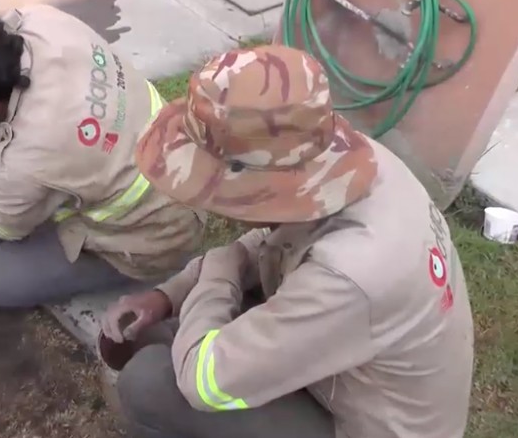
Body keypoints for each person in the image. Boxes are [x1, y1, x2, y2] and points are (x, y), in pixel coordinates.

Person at [100, 45, 475, 437]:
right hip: (354, 370)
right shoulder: (346, 160)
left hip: (367, 427)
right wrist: (167, 296)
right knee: (174, 334)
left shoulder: (349, 273)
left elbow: (203, 384)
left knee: (150, 383)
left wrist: (216, 273)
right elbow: (270, 237)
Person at [0, 5, 206, 308]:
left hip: (160, 234)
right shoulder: (41, 22)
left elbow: (2, 221)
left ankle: (124, 267)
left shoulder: (30, 154)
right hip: (182, 168)